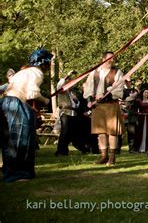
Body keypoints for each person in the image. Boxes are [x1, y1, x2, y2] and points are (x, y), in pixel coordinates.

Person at [0, 48, 52, 182]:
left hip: (6, 103)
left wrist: (30, 108)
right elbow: (32, 93)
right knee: (21, 138)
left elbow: (16, 91)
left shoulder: (23, 72)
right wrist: (46, 100)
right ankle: (19, 174)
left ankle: (10, 172)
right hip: (15, 105)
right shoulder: (36, 72)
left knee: (8, 139)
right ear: (43, 63)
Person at [83, 51, 124, 166]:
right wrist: (90, 100)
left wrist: (107, 94)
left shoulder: (117, 72)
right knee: (100, 132)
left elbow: (118, 88)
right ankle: (103, 155)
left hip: (111, 104)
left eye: (113, 58)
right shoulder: (94, 73)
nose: (112, 60)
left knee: (112, 132)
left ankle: (112, 157)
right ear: (103, 59)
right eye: (109, 58)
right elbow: (88, 87)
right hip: (98, 106)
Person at [55, 70, 88, 156]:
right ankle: (61, 152)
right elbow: (59, 85)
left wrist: (76, 100)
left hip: (73, 113)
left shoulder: (72, 92)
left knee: (74, 132)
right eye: (68, 81)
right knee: (64, 132)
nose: (70, 83)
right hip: (65, 113)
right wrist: (68, 75)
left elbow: (77, 104)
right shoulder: (61, 91)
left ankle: (82, 148)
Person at [120, 78, 139, 153]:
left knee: (132, 132)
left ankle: (132, 149)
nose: (129, 83)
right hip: (122, 113)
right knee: (120, 132)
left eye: (130, 81)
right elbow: (120, 100)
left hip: (132, 114)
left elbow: (135, 100)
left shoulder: (134, 91)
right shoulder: (120, 91)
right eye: (127, 81)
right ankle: (117, 148)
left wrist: (125, 100)